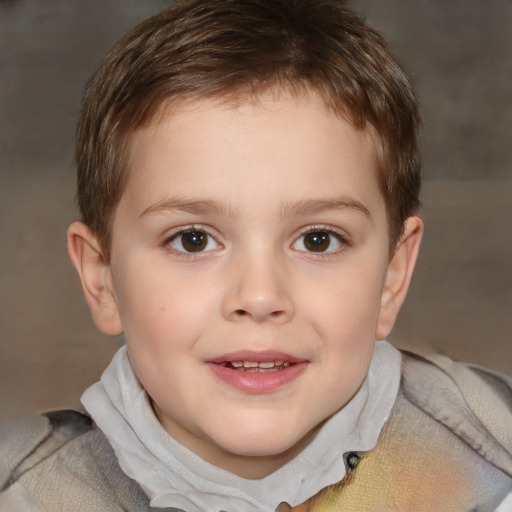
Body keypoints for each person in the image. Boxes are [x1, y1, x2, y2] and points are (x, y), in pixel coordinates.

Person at [1, 0, 510, 510]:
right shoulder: (28, 495)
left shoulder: (494, 457)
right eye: (193, 239)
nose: (260, 296)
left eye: (318, 240)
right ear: (102, 278)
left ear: (392, 277)